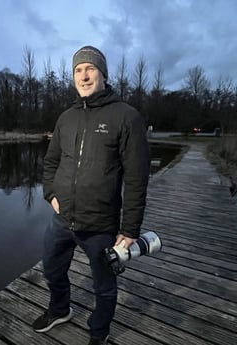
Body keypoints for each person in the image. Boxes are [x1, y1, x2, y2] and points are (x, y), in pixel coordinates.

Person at [32, 45, 150, 345]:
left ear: (103, 74)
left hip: (100, 224)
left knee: (104, 287)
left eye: (90, 68)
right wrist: (50, 194)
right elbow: (51, 162)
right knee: (51, 268)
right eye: (77, 70)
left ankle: (99, 333)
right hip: (62, 218)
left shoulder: (126, 116)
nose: (83, 76)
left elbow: (137, 177)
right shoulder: (66, 117)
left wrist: (130, 229)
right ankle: (60, 309)